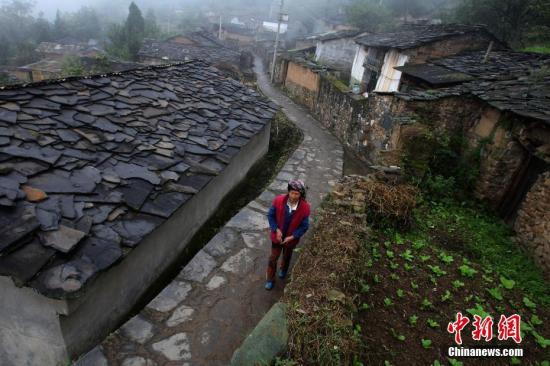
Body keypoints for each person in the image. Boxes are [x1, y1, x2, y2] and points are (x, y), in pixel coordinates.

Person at [265, 180, 310, 290]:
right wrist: (276, 229)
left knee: (287, 255)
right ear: (288, 192)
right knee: (273, 258)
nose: (294, 196)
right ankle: (270, 279)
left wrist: (293, 236)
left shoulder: (305, 208)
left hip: (291, 239)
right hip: (277, 237)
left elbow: (304, 226)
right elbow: (270, 216)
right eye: (292, 193)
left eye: (297, 194)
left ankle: (283, 269)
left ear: (301, 195)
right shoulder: (278, 201)